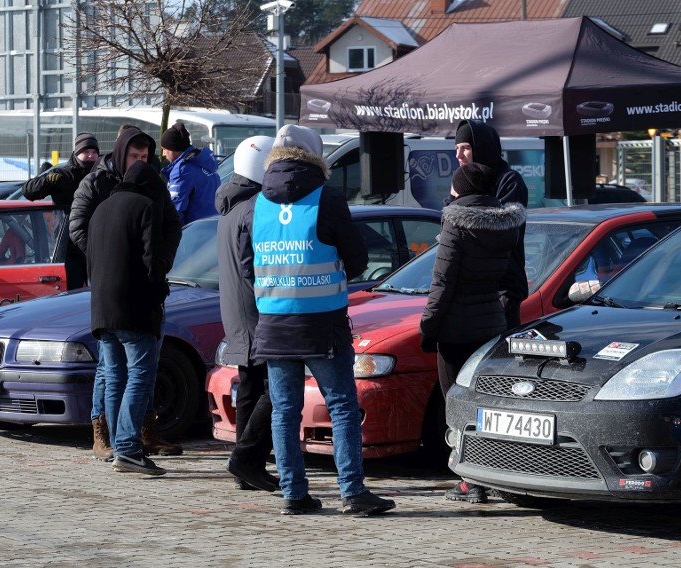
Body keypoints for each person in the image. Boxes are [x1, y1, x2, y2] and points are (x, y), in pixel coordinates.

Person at [241, 124, 395, 516]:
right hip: (322, 324)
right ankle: (353, 493)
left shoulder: (256, 204)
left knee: (284, 410)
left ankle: (294, 494)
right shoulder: (327, 197)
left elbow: (248, 267)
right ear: (314, 157)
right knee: (342, 405)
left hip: (274, 324)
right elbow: (358, 257)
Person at [70, 127, 182, 461]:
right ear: (121, 153)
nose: (140, 161)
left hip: (111, 295)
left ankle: (132, 439)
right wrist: (113, 260)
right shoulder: (97, 183)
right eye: (135, 156)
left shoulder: (150, 189)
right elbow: (78, 228)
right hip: (126, 294)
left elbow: (171, 227)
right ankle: (114, 438)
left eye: (145, 156)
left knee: (123, 370)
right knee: (125, 371)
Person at [418, 162, 526, 504]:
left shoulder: (455, 221)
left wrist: (428, 326)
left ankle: (469, 482)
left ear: (460, 189)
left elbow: (443, 282)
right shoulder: (504, 224)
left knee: (456, 405)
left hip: (455, 328)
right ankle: (490, 475)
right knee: (484, 407)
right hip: (490, 324)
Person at [216, 135, 278, 492]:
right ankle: (248, 459)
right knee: (274, 388)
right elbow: (255, 266)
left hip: (238, 312)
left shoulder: (230, 205)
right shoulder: (254, 207)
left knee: (252, 388)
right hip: (256, 311)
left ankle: (245, 463)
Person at [454, 120, 529, 329]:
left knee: (497, 356)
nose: (459, 156)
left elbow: (497, 229)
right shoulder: (465, 182)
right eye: (457, 148)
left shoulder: (509, 180)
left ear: (482, 148)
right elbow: (450, 231)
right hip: (473, 289)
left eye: (466, 148)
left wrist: (457, 203)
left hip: (502, 287)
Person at [23, 132, 100, 289]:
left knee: (98, 290)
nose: (91, 156)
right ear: (77, 153)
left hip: (96, 240)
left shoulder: (102, 173)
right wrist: (46, 181)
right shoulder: (64, 173)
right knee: (73, 291)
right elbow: (28, 191)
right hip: (68, 243)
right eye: (86, 152)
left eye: (94, 152)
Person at [160, 121, 220, 224]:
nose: (163, 154)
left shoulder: (182, 171)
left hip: (194, 233)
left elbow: (174, 210)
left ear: (173, 149)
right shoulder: (204, 163)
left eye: (164, 149)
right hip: (213, 229)